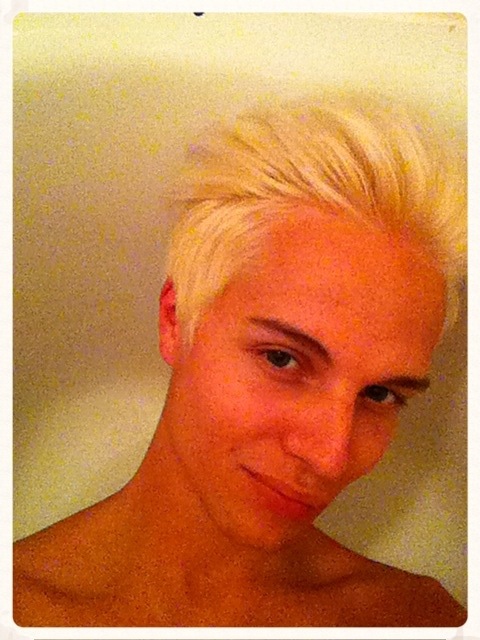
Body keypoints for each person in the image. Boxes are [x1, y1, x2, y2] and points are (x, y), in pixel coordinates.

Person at [13, 92, 467, 627]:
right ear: (175, 319)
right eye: (283, 359)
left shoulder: (416, 620)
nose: (330, 457)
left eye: (379, 394)